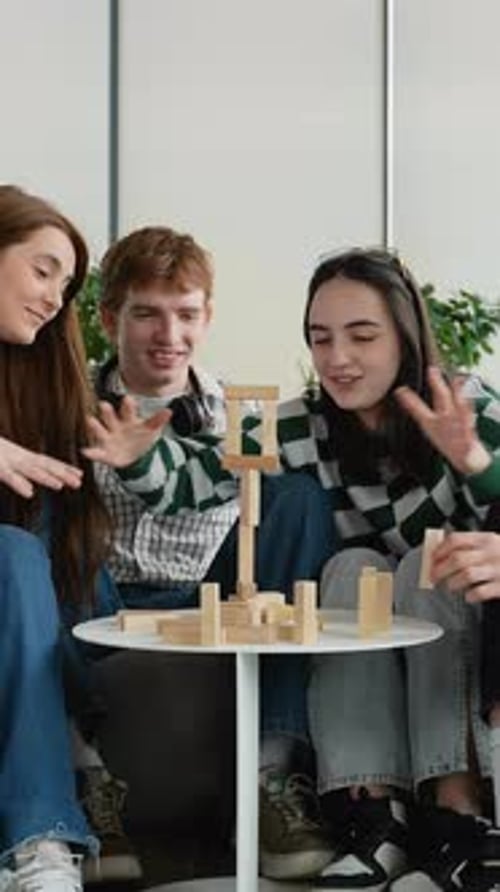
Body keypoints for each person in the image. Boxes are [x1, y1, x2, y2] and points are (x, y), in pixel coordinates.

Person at [85, 247, 500, 890]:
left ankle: (456, 810)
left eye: (362, 336)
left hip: (460, 614)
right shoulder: (307, 426)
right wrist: (141, 460)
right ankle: (372, 813)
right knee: (350, 567)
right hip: (368, 620)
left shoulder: (462, 402)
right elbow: (202, 478)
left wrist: (476, 462)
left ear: (406, 336)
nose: (338, 358)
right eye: (320, 338)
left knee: (427, 558)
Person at [86, 225, 337, 881]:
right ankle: (86, 790)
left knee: (295, 496)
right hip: (98, 595)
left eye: (186, 313)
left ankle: (271, 776)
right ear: (111, 316)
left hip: (207, 597)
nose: (169, 334)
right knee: (52, 528)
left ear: (207, 316)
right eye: (147, 313)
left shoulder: (241, 413)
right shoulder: (69, 399)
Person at [0, 184, 118, 892]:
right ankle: (41, 835)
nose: (53, 297)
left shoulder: (42, 373)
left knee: (61, 531)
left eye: (65, 284)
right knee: (20, 550)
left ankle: (74, 755)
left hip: (23, 602)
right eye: (41, 269)